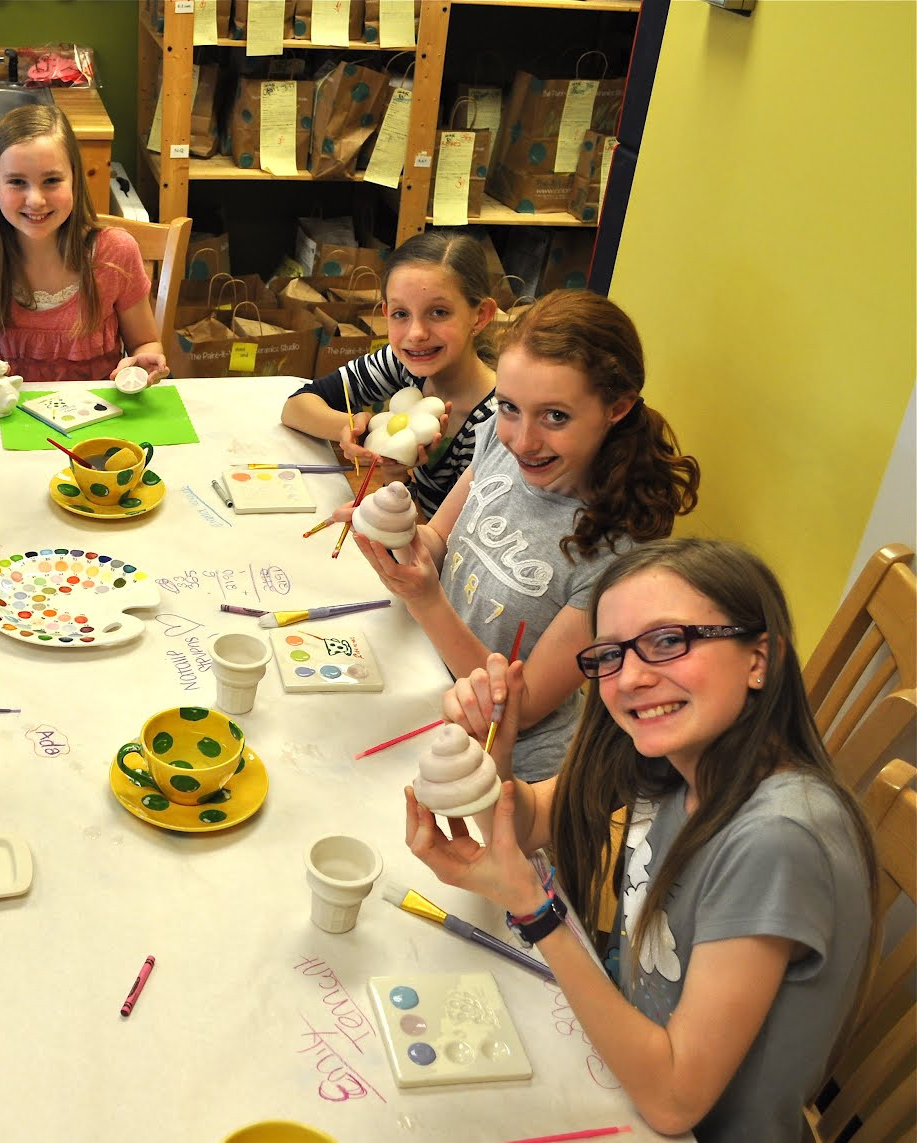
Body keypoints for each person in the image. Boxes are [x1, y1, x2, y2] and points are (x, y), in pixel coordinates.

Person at [409, 538, 876, 1141]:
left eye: (667, 642)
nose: (630, 677)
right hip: (615, 1066)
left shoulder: (779, 838)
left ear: (759, 659)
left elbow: (675, 1101)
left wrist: (537, 911)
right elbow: (526, 824)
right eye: (610, 654)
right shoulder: (669, 759)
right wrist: (494, 761)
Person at [340, 289, 700, 780]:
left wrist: (426, 599)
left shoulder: (623, 556)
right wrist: (391, 529)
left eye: (556, 416)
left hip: (505, 762)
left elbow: (522, 705)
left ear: (616, 408)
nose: (523, 440)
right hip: (425, 683)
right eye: (510, 406)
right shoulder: (495, 438)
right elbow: (438, 542)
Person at [281, 231, 499, 516]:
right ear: (385, 312)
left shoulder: (493, 426)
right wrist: (350, 427)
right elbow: (296, 407)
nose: (416, 333)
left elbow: (445, 550)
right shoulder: (404, 364)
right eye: (401, 314)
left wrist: (395, 480)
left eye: (439, 312)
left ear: (480, 315)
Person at [0, 103, 168, 388]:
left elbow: (147, 344)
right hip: (11, 419)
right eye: (17, 182)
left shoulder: (115, 251)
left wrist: (142, 365)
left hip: (98, 419)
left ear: (75, 180)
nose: (36, 200)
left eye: (51, 180)